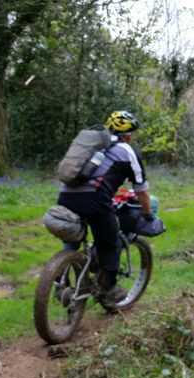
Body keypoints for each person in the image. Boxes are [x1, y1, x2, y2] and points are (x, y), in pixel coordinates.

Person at [58, 111, 153, 311]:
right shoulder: (127, 150)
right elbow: (141, 190)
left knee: (74, 236)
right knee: (110, 242)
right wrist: (148, 214)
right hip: (95, 198)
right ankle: (109, 291)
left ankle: (60, 275)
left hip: (66, 195)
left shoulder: (90, 145)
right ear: (127, 134)